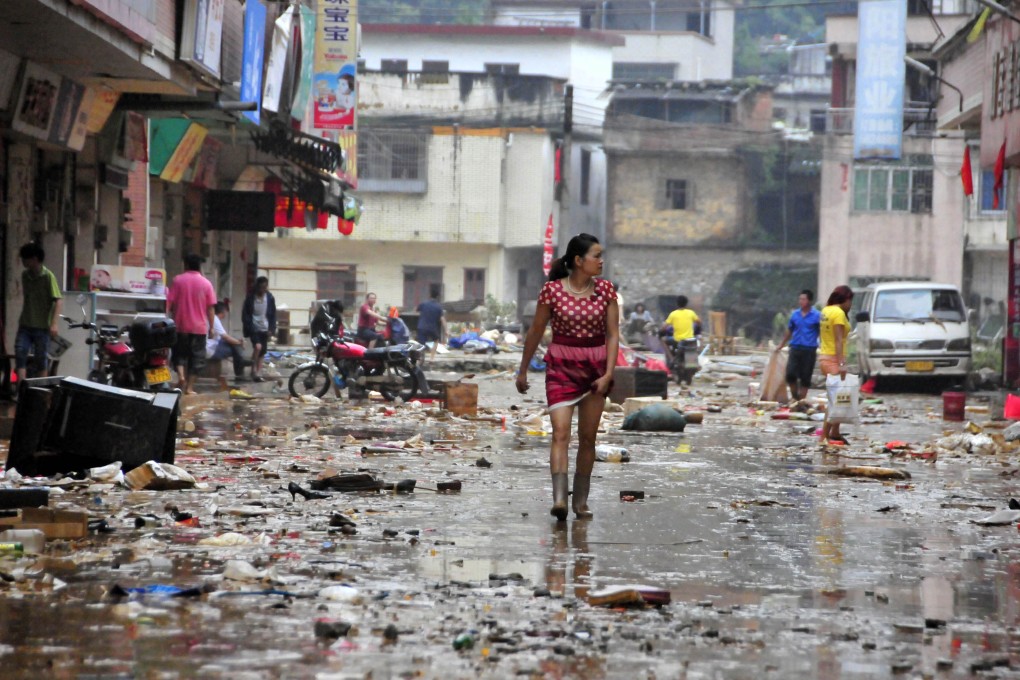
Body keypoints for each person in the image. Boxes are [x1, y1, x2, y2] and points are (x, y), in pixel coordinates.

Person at [517, 233, 620, 521]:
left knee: (588, 439)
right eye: (596, 256)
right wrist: (523, 369)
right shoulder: (551, 291)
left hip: (595, 370)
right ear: (578, 260)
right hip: (560, 367)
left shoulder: (606, 291)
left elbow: (612, 334)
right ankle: (560, 499)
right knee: (560, 434)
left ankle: (581, 502)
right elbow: (536, 331)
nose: (601, 261)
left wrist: (609, 373)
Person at [167, 254, 216, 395]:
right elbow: (210, 308)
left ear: (186, 265)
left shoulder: (178, 280)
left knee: (179, 354)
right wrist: (211, 327)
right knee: (197, 358)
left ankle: (181, 377)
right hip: (199, 328)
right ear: (199, 266)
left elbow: (170, 302)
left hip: (180, 325)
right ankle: (189, 388)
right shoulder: (206, 283)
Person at [15, 243, 62, 382]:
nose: (23, 261)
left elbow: (58, 300)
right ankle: (21, 389)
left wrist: (54, 324)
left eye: (25, 258)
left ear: (34, 259)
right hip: (25, 324)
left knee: (41, 359)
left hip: (42, 327)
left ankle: (41, 391)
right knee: (20, 353)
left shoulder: (48, 276)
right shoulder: (25, 276)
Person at [819, 285, 854, 445]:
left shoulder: (826, 310)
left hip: (824, 358)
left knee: (839, 397)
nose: (851, 304)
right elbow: (839, 339)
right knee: (835, 399)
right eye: (850, 300)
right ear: (846, 299)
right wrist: (841, 363)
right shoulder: (839, 314)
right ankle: (824, 437)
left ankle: (835, 432)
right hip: (833, 359)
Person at [777, 289, 821, 402]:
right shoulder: (795, 314)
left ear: (809, 301)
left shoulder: (816, 315)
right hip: (795, 347)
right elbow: (790, 330)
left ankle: (801, 402)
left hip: (809, 349)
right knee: (790, 374)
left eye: (803, 299)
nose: (801, 301)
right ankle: (795, 397)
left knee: (805, 377)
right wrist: (781, 344)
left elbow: (822, 331)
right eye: (800, 299)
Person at [242, 276, 276, 382]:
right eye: (260, 287)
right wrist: (248, 326)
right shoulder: (251, 297)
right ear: (257, 287)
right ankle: (253, 369)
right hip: (253, 327)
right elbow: (245, 314)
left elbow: (273, 314)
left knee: (262, 351)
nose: (262, 290)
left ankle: (258, 372)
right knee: (257, 347)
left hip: (265, 328)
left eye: (264, 288)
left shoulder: (270, 298)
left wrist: (271, 328)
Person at [207, 302, 248, 380]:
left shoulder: (212, 318)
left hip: (214, 345)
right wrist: (239, 342)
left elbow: (225, 338)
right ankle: (240, 372)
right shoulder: (214, 319)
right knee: (235, 348)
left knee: (234, 343)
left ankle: (241, 363)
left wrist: (237, 341)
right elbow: (225, 337)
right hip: (211, 349)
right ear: (223, 311)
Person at [660, 295, 701, 371]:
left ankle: (671, 359)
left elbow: (664, 327)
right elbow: (699, 322)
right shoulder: (691, 313)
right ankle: (694, 364)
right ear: (686, 304)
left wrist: (661, 331)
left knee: (663, 340)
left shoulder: (673, 314)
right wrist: (697, 327)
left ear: (677, 304)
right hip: (689, 340)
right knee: (695, 347)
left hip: (677, 340)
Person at [416, 285, 447, 367]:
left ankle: (420, 360)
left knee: (421, 345)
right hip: (432, 328)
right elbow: (442, 319)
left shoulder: (423, 304)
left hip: (422, 327)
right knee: (436, 341)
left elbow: (416, 310)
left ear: (429, 295)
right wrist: (446, 330)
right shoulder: (438, 307)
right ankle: (431, 358)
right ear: (437, 297)